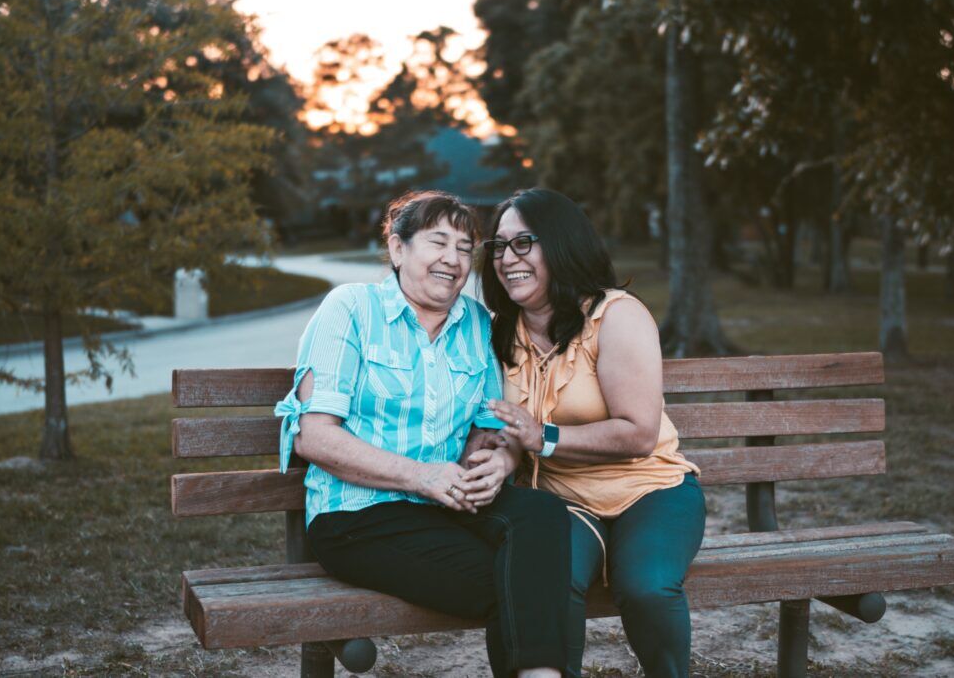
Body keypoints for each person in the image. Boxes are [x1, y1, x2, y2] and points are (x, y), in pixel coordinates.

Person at [274, 191, 570, 678]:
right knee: (519, 582)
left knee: (541, 514)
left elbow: (488, 426)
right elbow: (314, 437)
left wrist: (496, 460)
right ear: (397, 249)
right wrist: (420, 476)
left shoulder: (476, 323)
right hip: (356, 518)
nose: (453, 260)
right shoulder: (350, 309)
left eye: (464, 247)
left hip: (445, 506)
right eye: (438, 242)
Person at [480, 188, 706, 678]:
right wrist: (499, 452)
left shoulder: (615, 315)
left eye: (524, 243)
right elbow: (502, 427)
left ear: (560, 244)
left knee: (646, 586)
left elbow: (639, 433)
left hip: (650, 491)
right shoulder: (499, 331)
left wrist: (545, 437)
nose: (506, 258)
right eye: (498, 246)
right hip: (561, 501)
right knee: (542, 585)